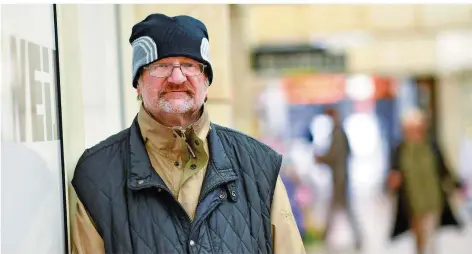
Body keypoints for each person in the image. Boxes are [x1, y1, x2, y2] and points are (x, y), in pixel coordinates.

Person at [71, 13, 305, 254]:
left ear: (206, 80)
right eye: (161, 66)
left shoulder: (259, 166)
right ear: (138, 83)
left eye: (189, 65)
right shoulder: (97, 175)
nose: (177, 77)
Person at [387, 109, 463, 254]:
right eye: (411, 129)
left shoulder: (431, 146)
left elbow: (443, 169)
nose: (415, 132)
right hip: (412, 202)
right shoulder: (400, 149)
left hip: (433, 199)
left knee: (431, 237)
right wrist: (393, 183)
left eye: (418, 128)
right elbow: (393, 175)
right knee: (419, 237)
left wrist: (456, 186)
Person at [314, 107, 363, 251]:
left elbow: (334, 155)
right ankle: (326, 235)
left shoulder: (338, 132)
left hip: (340, 178)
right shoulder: (338, 131)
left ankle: (327, 236)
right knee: (340, 208)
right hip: (340, 176)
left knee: (342, 208)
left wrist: (321, 159)